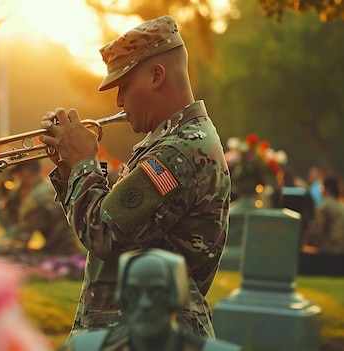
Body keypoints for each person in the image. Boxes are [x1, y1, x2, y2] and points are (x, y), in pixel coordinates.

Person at [39, 15, 231, 339]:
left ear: (157, 76)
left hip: (148, 336)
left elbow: (104, 233)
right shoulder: (172, 142)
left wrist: (84, 161)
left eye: (124, 86)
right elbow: (102, 222)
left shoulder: (179, 152)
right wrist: (68, 167)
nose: (117, 101)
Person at [61, 249, 241, 351]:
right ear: (122, 297)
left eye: (157, 293)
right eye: (134, 293)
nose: (145, 303)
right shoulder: (86, 348)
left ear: (176, 297)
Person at [0, 160, 82, 256]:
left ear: (26, 172)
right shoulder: (48, 188)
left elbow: (20, 235)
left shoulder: (35, 197)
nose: (17, 179)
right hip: (70, 247)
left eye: (18, 174)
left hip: (59, 252)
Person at [306, 176, 344, 253]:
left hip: (329, 249)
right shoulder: (341, 206)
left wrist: (307, 237)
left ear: (327, 189)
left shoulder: (325, 206)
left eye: (321, 188)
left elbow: (318, 230)